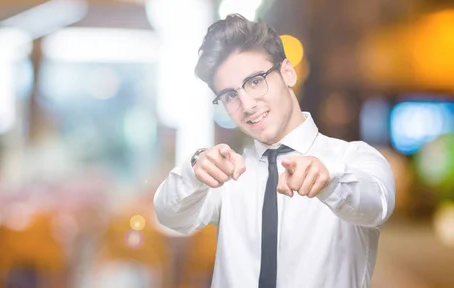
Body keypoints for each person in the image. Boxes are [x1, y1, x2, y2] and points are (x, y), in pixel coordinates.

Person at [153, 14, 396, 288]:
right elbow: (170, 215)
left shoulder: (352, 159)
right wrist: (195, 170)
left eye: (255, 81)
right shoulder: (230, 173)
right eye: (230, 95)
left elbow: (377, 204)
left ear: (288, 72)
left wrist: (329, 182)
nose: (246, 105)